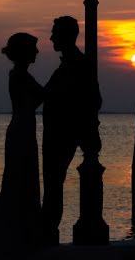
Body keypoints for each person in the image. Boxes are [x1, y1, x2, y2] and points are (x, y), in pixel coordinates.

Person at [41, 16, 102, 246]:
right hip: (60, 134)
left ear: (65, 36)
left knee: (53, 185)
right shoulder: (69, 64)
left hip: (62, 136)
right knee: (52, 185)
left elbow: (94, 99)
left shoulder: (76, 64)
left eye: (55, 33)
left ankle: (48, 233)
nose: (51, 37)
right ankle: (48, 230)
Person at [0, 32, 44, 253]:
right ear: (25, 53)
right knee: (20, 179)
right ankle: (16, 230)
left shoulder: (19, 75)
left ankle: (20, 229)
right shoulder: (21, 76)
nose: (37, 52)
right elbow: (42, 95)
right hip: (21, 132)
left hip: (22, 130)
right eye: (33, 49)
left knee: (20, 178)